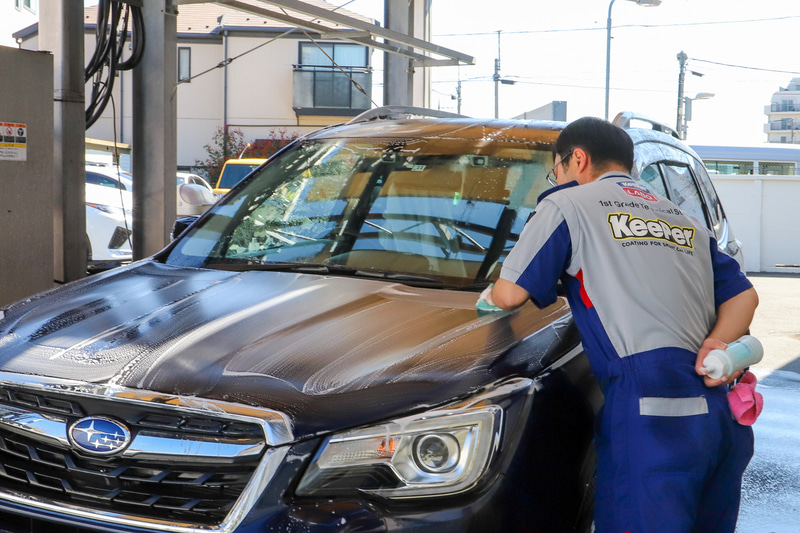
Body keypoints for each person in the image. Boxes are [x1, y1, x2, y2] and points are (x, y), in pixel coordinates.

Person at [481, 116, 759, 533]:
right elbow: (744, 295)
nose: (555, 178)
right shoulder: (683, 220)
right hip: (720, 410)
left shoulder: (567, 204)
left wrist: (487, 296)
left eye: (554, 169)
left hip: (650, 414)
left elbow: (509, 294)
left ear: (577, 158)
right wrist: (717, 341)